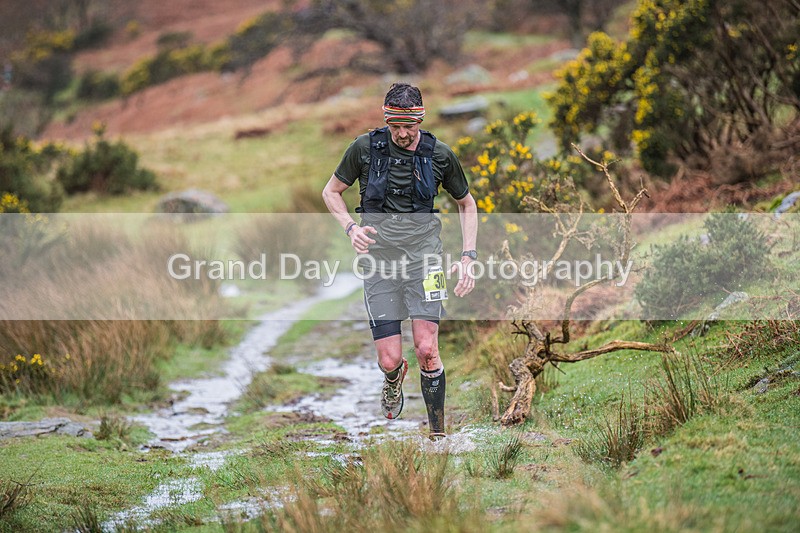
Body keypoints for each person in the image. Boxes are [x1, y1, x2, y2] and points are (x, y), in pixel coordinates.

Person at [322, 82, 477, 440]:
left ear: (420, 120)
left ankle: (437, 436)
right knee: (388, 359)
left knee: (427, 349)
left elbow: (466, 203)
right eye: (396, 126)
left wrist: (468, 256)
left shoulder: (440, 154)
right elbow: (331, 192)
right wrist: (350, 228)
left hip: (427, 261)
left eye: (410, 126)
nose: (403, 134)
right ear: (386, 119)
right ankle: (393, 378)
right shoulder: (364, 148)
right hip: (379, 263)